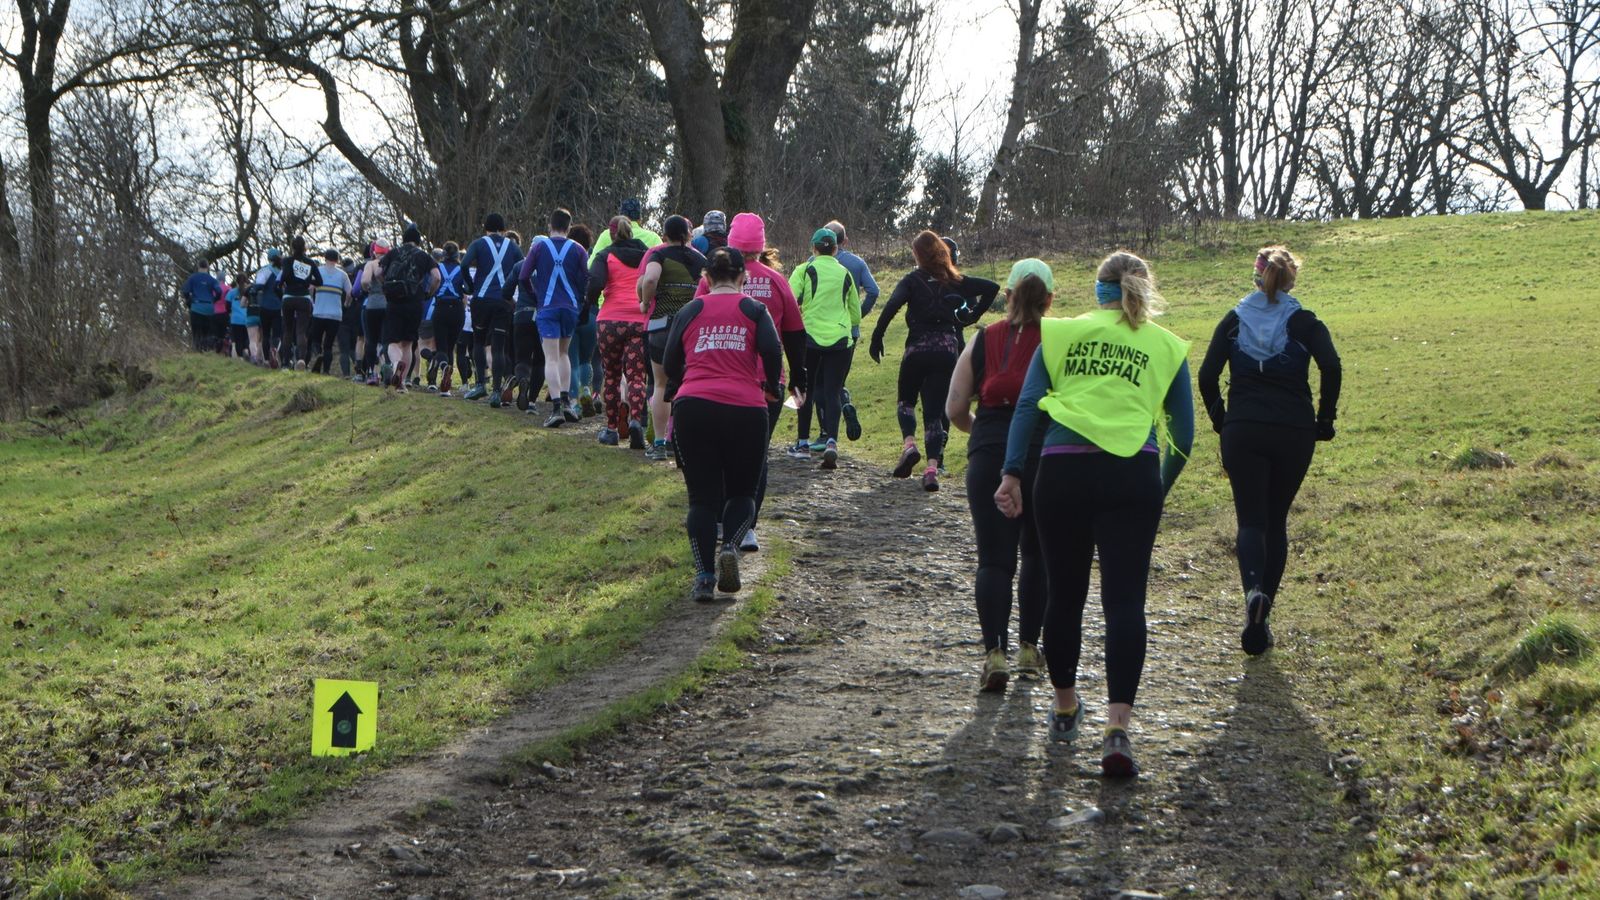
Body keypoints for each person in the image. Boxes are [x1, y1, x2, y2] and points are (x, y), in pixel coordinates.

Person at [994, 250, 1193, 777]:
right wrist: (1157, 486)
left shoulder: (1059, 334)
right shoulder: (1166, 345)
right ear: (1143, 290)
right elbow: (1186, 438)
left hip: (1060, 475)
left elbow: (1027, 407)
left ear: (1096, 287)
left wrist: (1012, 473)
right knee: (1126, 602)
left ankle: (1063, 707)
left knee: (1065, 595)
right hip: (1132, 475)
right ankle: (1118, 729)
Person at [1198, 246, 1341, 656]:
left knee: (1250, 522)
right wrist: (1324, 419)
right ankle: (1262, 619)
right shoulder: (1305, 321)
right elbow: (1331, 366)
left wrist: (1221, 421)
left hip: (1243, 428)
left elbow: (1207, 376)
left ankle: (1252, 593)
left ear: (1256, 276)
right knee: (1276, 521)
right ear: (1291, 278)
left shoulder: (1233, 320)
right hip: (1293, 430)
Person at [947, 259, 1052, 692]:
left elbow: (954, 408)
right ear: (1049, 300)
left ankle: (995, 655)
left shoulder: (983, 340)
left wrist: (984, 434)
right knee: (1037, 555)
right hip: (1044, 453)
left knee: (994, 559)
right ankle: (1030, 649)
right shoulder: (1060, 341)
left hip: (990, 452)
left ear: (1007, 296)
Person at [662, 246, 783, 601]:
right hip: (745, 408)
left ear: (706, 278)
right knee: (743, 492)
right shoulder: (754, 309)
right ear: (743, 277)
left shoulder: (691, 310)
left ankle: (703, 575)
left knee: (701, 500)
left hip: (694, 407)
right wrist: (772, 385)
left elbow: (670, 361)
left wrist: (689, 378)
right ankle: (730, 545)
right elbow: (773, 351)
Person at [695, 212, 808, 553]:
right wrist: (797, 379)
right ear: (760, 247)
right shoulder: (777, 281)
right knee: (755, 456)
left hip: (719, 376)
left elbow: (696, 322)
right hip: (766, 383)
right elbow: (795, 334)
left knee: (719, 453)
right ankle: (746, 526)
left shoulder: (710, 281)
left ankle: (718, 520)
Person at [870, 231, 998, 491]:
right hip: (947, 350)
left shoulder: (912, 280)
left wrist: (877, 336)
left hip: (917, 348)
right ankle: (931, 469)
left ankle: (909, 445)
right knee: (934, 414)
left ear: (918, 254)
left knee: (906, 402)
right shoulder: (955, 280)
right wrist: (973, 316)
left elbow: (892, 305)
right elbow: (991, 288)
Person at [788, 227, 861, 470]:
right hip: (840, 339)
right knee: (832, 391)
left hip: (809, 337)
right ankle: (831, 441)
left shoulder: (805, 269)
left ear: (814, 248)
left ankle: (802, 443)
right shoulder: (845, 273)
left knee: (803, 388)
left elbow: (791, 298)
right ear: (837, 248)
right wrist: (849, 329)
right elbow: (855, 313)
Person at [636, 215, 707, 461]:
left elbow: (651, 278)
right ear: (688, 235)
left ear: (664, 234)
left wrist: (645, 302)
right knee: (688, 385)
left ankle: (658, 444)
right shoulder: (701, 260)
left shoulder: (659, 255)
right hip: (691, 329)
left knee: (661, 385)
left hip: (661, 327)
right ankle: (681, 443)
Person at [515, 208, 590, 426]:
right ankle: (567, 402)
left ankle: (556, 406)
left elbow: (523, 276)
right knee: (564, 353)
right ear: (569, 226)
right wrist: (579, 299)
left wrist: (535, 295)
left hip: (547, 307)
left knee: (551, 358)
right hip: (570, 308)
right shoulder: (578, 249)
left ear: (550, 225)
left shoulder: (539, 247)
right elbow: (587, 277)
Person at [588, 216, 652, 448]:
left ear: (611, 233)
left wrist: (590, 303)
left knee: (613, 376)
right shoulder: (647, 255)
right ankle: (636, 421)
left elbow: (594, 282)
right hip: (638, 320)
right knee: (637, 376)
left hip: (610, 322)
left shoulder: (605, 255)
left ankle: (612, 429)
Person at [823, 220, 879, 442]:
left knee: (822, 382)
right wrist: (858, 316)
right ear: (844, 240)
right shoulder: (856, 263)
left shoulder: (812, 262)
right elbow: (873, 291)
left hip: (819, 329)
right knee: (837, 379)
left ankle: (826, 432)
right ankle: (844, 404)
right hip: (849, 331)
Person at [462, 213, 524, 404]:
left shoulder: (478, 244)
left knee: (479, 342)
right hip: (503, 302)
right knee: (499, 348)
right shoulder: (513, 246)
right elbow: (523, 268)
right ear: (504, 229)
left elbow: (464, 264)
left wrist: (470, 286)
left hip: (481, 299)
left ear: (485, 227)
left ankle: (480, 384)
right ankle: (497, 391)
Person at [379, 224, 441, 392]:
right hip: (414, 302)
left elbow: (378, 272)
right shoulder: (424, 256)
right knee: (407, 343)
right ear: (418, 241)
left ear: (404, 239)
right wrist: (429, 293)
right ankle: (402, 383)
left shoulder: (394, 253)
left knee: (393, 341)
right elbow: (437, 277)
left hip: (394, 301)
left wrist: (385, 286)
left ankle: (394, 365)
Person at [562, 223, 601, 417]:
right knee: (587, 360)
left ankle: (574, 402)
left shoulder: (566, 262)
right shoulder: (594, 261)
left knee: (572, 361)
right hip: (592, 314)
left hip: (571, 313)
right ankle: (587, 389)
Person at [424, 241, 468, 395]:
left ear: (443, 254)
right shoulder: (462, 268)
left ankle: (443, 370)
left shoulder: (437, 268)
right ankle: (446, 385)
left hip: (441, 308)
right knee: (451, 347)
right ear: (457, 255)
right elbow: (469, 288)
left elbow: (430, 285)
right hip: (457, 309)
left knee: (441, 346)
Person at [278, 237, 324, 370]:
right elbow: (320, 282)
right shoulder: (310, 263)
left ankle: (286, 363)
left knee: (287, 330)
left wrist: (281, 284)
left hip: (289, 297)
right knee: (301, 331)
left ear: (292, 247)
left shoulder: (287, 261)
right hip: (304, 298)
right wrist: (308, 281)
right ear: (305, 247)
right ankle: (301, 360)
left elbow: (284, 276)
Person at [310, 249, 350, 374]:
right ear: (337, 260)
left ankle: (318, 355)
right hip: (335, 315)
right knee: (329, 344)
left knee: (316, 340)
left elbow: (311, 288)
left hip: (319, 312)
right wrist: (346, 303)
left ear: (325, 258)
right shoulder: (343, 275)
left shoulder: (318, 271)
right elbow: (350, 292)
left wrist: (313, 301)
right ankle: (326, 370)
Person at [358, 241, 390, 385]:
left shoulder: (370, 264)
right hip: (387, 305)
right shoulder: (391, 263)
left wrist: (368, 289)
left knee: (370, 339)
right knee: (386, 339)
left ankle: (372, 373)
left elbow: (364, 281)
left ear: (375, 252)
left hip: (372, 305)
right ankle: (387, 367)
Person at [591, 197, 661, 257]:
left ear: (619, 217)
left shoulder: (607, 234)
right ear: (640, 220)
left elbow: (591, 264)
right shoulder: (654, 238)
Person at [249, 249, 284, 368]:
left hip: (264, 306)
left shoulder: (264, 270)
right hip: (279, 306)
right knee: (277, 334)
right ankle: (275, 350)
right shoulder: (283, 271)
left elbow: (258, 286)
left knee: (266, 335)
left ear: (269, 258)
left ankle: (267, 361)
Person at [182, 260, 222, 351]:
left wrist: (189, 301)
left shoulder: (192, 278)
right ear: (208, 267)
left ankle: (197, 350)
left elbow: (185, 291)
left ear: (198, 266)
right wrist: (214, 300)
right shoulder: (212, 280)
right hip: (209, 308)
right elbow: (219, 292)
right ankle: (206, 351)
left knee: (196, 332)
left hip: (196, 307)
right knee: (207, 332)